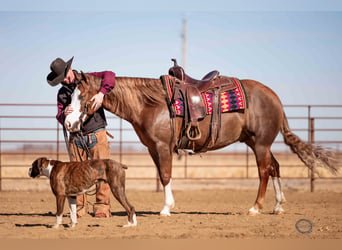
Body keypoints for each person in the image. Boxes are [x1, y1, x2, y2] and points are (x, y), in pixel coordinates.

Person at [47, 56, 115, 218]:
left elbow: (110, 75)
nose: (64, 80)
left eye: (65, 76)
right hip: (75, 137)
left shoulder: (89, 79)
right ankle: (78, 209)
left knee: (102, 171)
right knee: (76, 174)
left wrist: (101, 94)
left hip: (96, 132)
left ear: (69, 69)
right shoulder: (62, 93)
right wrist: (64, 115)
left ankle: (102, 208)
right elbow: (59, 115)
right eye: (60, 79)